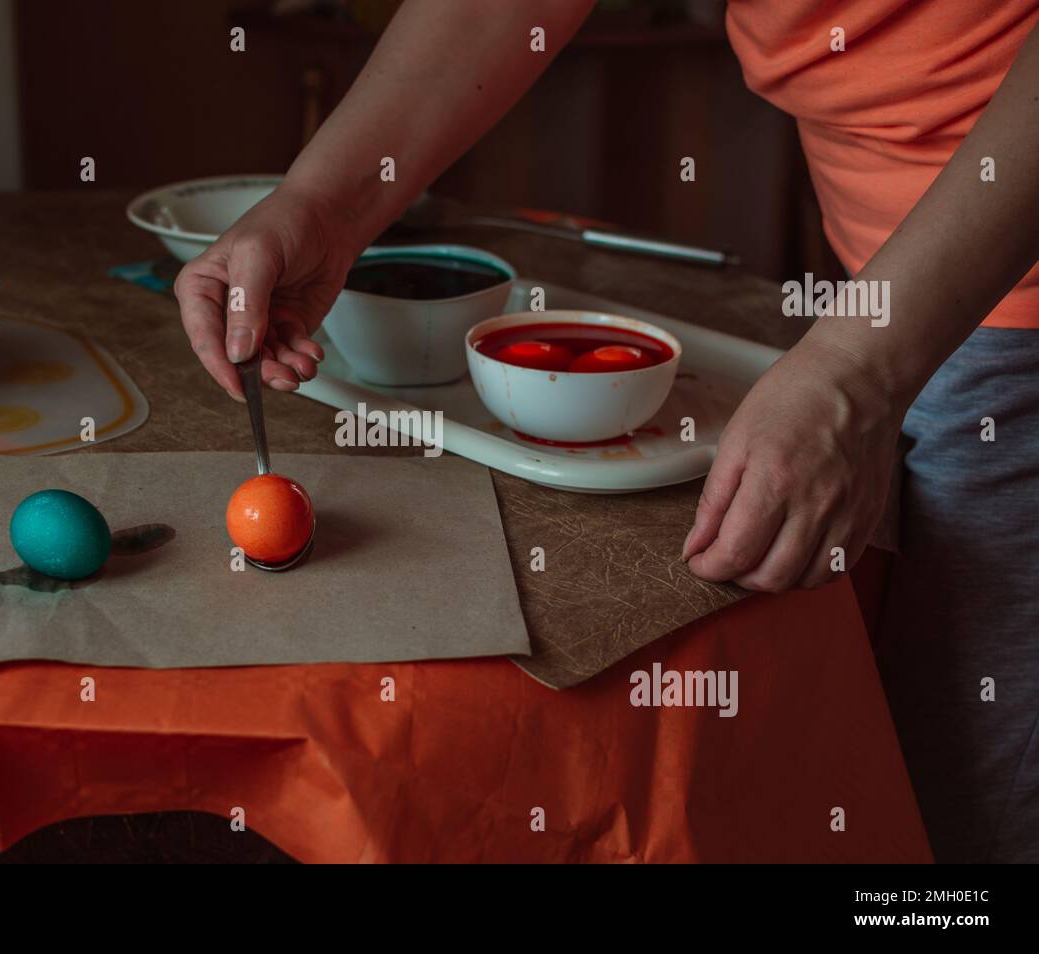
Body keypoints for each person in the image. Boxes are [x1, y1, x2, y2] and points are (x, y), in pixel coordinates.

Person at [174, 0, 1039, 862]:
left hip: (1008, 299)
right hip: (889, 272)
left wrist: (858, 370)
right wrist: (321, 206)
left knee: (964, 824)